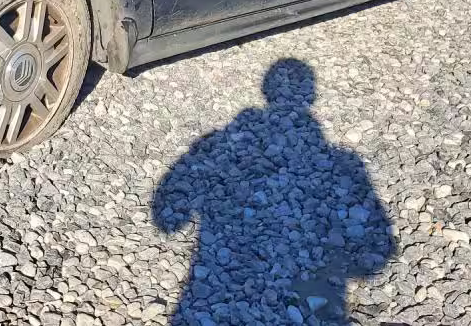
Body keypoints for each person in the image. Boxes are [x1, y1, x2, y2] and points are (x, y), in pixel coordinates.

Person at [152, 59, 395, 325]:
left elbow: (168, 221)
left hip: (215, 286)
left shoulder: (222, 139)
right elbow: (376, 257)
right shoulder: (343, 160)